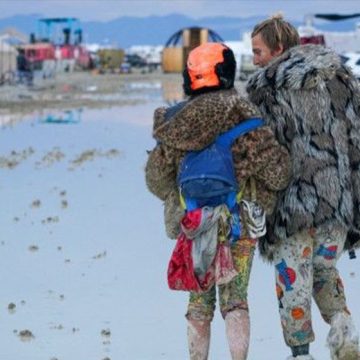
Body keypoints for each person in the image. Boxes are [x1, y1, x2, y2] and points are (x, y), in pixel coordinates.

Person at [145, 42, 291, 360]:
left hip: (193, 223)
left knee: (198, 303)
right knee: (236, 299)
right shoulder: (246, 118)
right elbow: (279, 174)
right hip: (240, 223)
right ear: (227, 72)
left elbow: (155, 181)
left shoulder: (174, 122)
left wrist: (183, 197)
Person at [246, 14, 360, 360]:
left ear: (278, 49)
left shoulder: (266, 88)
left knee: (293, 279)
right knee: (325, 271)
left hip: (291, 205)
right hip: (336, 202)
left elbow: (262, 151)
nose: (255, 59)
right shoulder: (342, 79)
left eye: (258, 51)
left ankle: (300, 354)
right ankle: (343, 330)